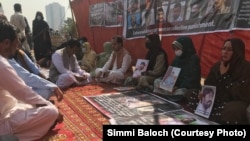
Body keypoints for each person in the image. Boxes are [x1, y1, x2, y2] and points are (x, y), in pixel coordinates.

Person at [0, 20, 60, 141]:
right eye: (16, 44)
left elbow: (31, 72)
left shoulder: (11, 58)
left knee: (37, 103)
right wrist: (51, 108)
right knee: (51, 112)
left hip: (11, 105)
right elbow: (23, 91)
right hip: (4, 118)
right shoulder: (2, 63)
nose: (17, 48)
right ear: (6, 43)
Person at [188, 38, 250, 124]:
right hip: (214, 99)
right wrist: (203, 93)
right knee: (192, 93)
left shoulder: (246, 69)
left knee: (234, 109)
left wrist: (224, 76)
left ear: (238, 51)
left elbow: (242, 94)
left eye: (230, 50)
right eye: (224, 49)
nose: (225, 52)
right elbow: (208, 85)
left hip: (232, 101)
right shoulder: (217, 66)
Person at [153, 36, 201, 102]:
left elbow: (191, 80)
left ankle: (169, 96)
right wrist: (165, 82)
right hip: (174, 86)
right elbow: (170, 73)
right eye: (175, 48)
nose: (176, 50)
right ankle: (168, 95)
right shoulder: (176, 59)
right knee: (157, 81)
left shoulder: (193, 59)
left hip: (185, 87)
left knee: (181, 92)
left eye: (178, 48)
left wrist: (177, 87)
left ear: (185, 47)